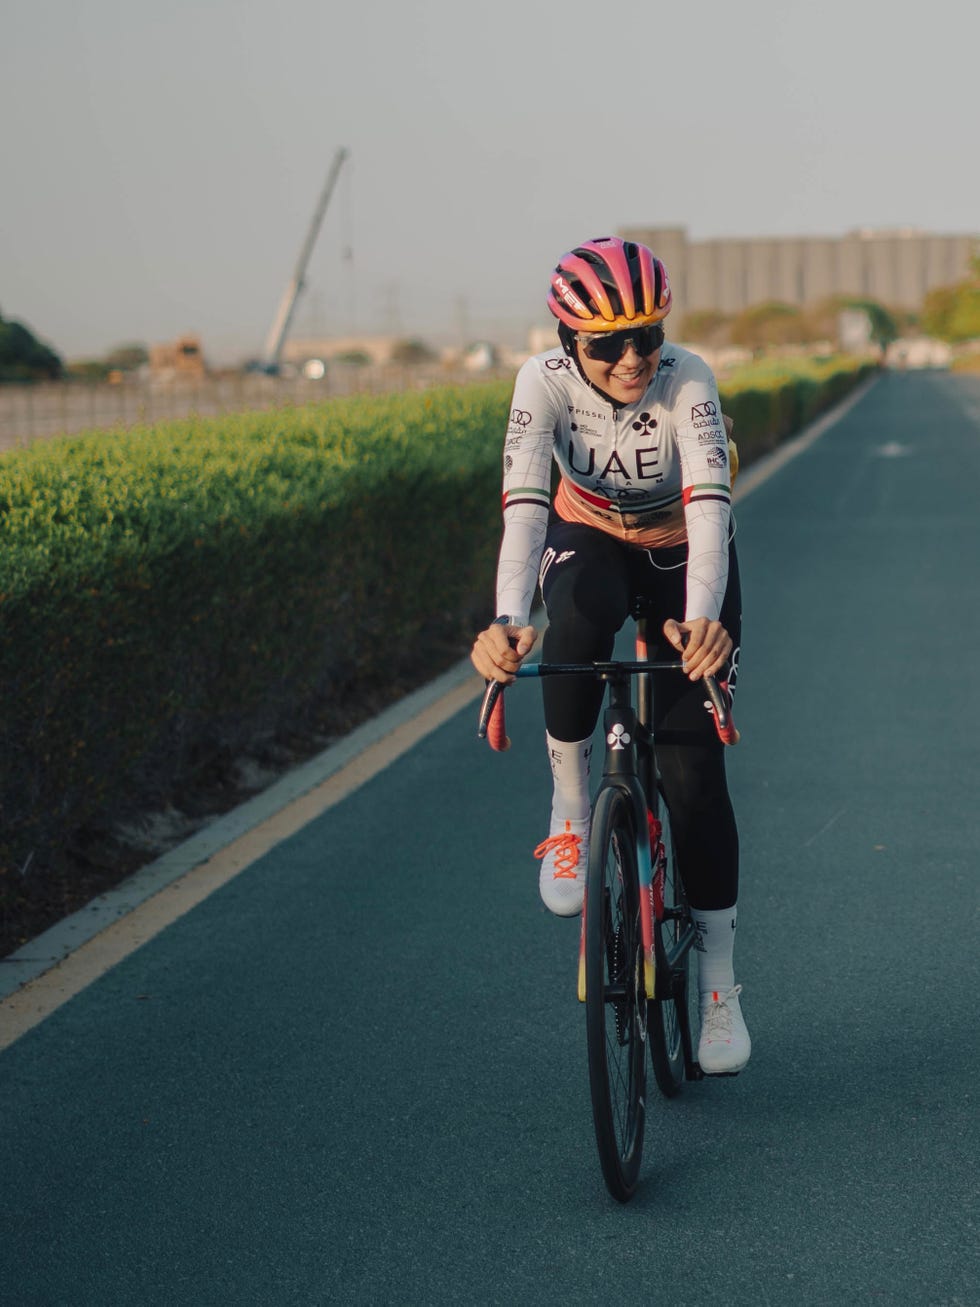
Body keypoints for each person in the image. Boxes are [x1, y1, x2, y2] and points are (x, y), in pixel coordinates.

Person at [470, 236, 750, 1074]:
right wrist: (506, 619)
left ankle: (720, 986)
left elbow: (708, 505)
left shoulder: (688, 376)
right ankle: (569, 812)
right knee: (578, 617)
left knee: (695, 777)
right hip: (587, 534)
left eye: (648, 335)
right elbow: (524, 507)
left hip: (678, 555)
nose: (633, 358)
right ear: (568, 342)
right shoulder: (541, 384)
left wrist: (701, 622)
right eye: (607, 343)